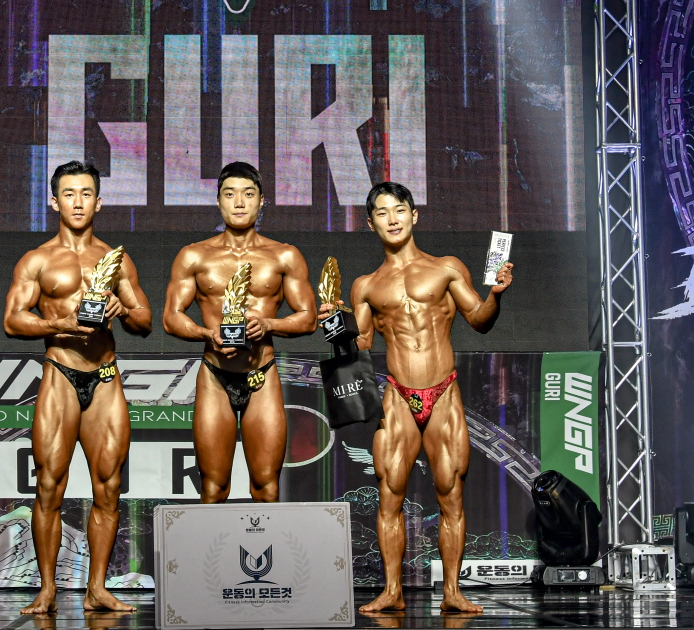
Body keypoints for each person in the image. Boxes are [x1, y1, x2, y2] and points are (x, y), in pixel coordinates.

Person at [336, 181, 513, 615]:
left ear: (414, 215)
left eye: (399, 210)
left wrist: (495, 295)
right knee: (389, 493)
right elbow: (360, 345)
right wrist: (336, 324)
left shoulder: (446, 268)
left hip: (443, 393)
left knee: (450, 493)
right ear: (371, 223)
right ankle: (391, 590)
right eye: (382, 213)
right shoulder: (365, 285)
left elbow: (479, 320)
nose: (392, 219)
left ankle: (452, 591)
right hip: (398, 394)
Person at [3, 160, 153, 614]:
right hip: (60, 375)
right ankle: (47, 590)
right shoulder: (38, 260)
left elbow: (145, 320)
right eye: (69, 194)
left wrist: (123, 310)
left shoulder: (116, 259)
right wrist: (61, 323)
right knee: (50, 485)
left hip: (104, 378)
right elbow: (13, 320)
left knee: (109, 487)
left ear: (99, 202)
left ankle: (97, 588)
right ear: (54, 202)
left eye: (86, 193)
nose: (78, 202)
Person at [163, 161, 316, 503]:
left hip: (262, 375)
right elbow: (171, 318)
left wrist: (269, 324)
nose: (239, 202)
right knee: (213, 487)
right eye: (230, 194)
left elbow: (308, 319)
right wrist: (207, 334)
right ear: (218, 200)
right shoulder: (194, 256)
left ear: (262, 201)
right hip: (215, 377)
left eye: (248, 194)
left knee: (266, 487)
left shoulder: (284, 256)